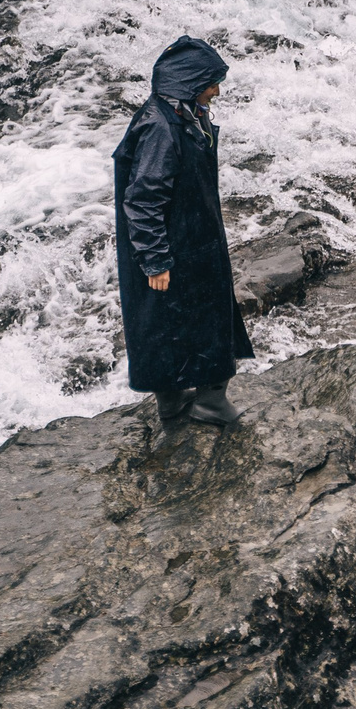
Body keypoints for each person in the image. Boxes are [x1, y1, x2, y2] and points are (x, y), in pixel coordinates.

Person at [113, 35, 254, 428]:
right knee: (199, 317)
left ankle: (173, 404)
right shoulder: (161, 127)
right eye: (211, 82)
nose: (217, 90)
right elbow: (142, 200)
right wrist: (156, 259)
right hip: (176, 246)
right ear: (189, 83)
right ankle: (208, 402)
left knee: (166, 323)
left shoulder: (181, 113)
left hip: (186, 237)